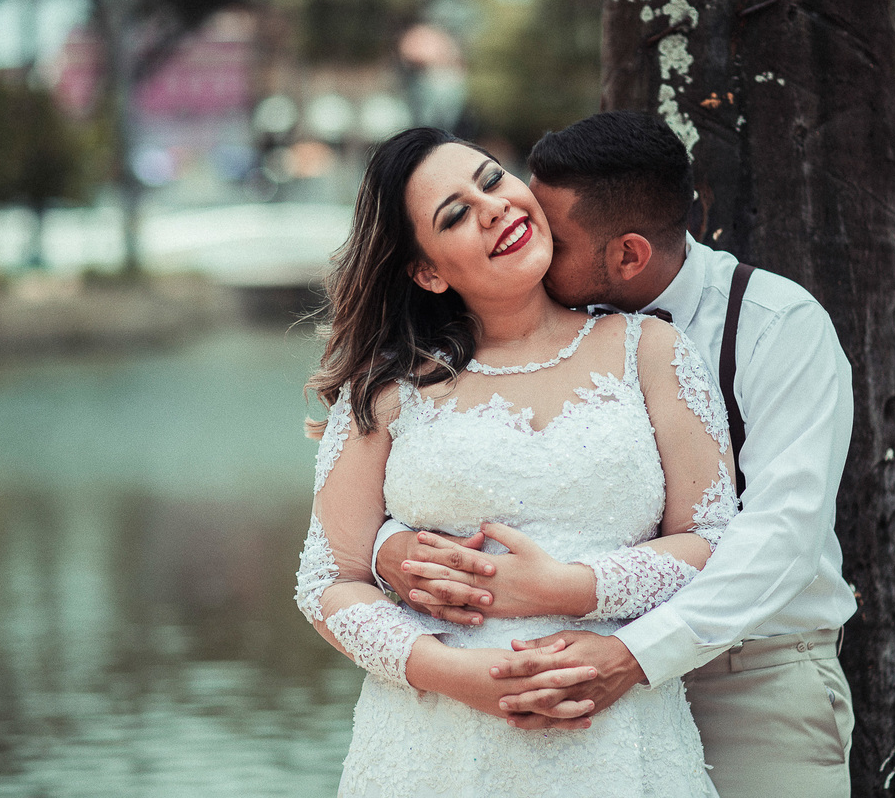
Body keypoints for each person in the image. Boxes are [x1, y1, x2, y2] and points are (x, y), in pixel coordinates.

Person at [373, 111, 858, 797]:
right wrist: (389, 548)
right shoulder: (521, 334)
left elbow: (783, 533)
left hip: (749, 679)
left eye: (551, 231)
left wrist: (632, 657)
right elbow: (500, 479)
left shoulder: (776, 326)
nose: (517, 228)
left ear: (626, 256)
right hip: (562, 697)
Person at [295, 125, 740, 797]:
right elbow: (328, 582)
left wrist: (575, 587)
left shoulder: (650, 351)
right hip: (435, 746)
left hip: (619, 740)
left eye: (492, 180)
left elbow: (714, 542)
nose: (494, 205)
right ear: (428, 270)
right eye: (456, 214)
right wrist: (456, 676)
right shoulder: (386, 390)